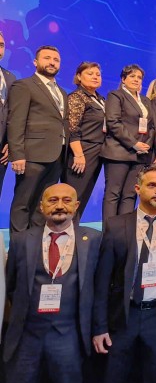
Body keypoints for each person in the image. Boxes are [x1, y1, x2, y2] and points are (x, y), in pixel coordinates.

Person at [92, 165, 156, 383]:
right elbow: (102, 282)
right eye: (152, 185)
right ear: (137, 188)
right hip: (124, 316)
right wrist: (99, 327)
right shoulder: (116, 225)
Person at [4, 183, 102, 383]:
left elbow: (100, 288)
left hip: (69, 336)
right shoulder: (21, 240)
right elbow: (11, 286)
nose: (59, 206)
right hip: (26, 336)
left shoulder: (94, 240)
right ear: (41, 206)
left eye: (66, 200)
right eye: (52, 200)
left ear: (76, 205)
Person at [7, 45, 69, 232]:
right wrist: (17, 154)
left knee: (43, 205)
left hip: (57, 156)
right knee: (23, 202)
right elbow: (16, 121)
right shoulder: (24, 85)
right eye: (47, 58)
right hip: (32, 156)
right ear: (35, 62)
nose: (52, 62)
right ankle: (19, 245)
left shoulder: (62, 92)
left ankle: (34, 242)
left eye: (56, 60)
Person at [101, 64, 155, 222]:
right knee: (113, 193)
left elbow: (151, 126)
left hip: (140, 155)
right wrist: (134, 144)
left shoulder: (145, 101)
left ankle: (124, 229)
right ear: (123, 79)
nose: (136, 80)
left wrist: (146, 144)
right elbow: (113, 122)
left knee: (130, 195)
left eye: (139, 77)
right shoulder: (116, 95)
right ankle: (109, 231)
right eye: (132, 76)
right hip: (119, 152)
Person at [63, 62, 106, 220]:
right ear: (79, 77)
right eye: (90, 73)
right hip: (82, 151)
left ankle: (73, 229)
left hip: (97, 152)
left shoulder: (100, 99)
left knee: (83, 198)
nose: (95, 77)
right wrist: (79, 155)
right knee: (73, 196)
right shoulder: (77, 97)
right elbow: (72, 128)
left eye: (98, 74)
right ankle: (61, 230)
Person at [0, 31, 18, 200]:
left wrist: (10, 142)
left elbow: (13, 113)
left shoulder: (10, 77)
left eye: (1, 45)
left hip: (2, 151)